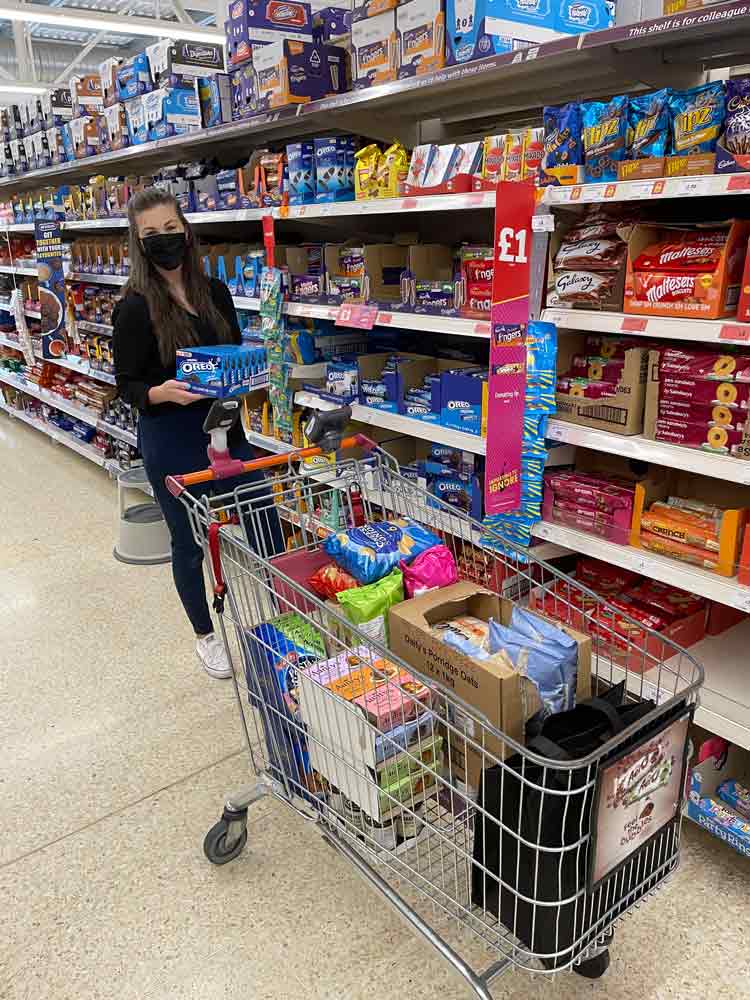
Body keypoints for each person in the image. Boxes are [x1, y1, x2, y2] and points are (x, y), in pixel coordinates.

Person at [113, 188, 283, 679]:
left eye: (170, 229)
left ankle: (286, 610)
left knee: (264, 515)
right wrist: (163, 392)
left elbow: (234, 353)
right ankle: (206, 636)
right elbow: (127, 385)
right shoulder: (134, 307)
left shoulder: (216, 292)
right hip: (170, 437)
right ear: (138, 242)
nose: (163, 240)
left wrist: (251, 374)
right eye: (150, 234)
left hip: (225, 429)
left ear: (185, 231)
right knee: (187, 543)